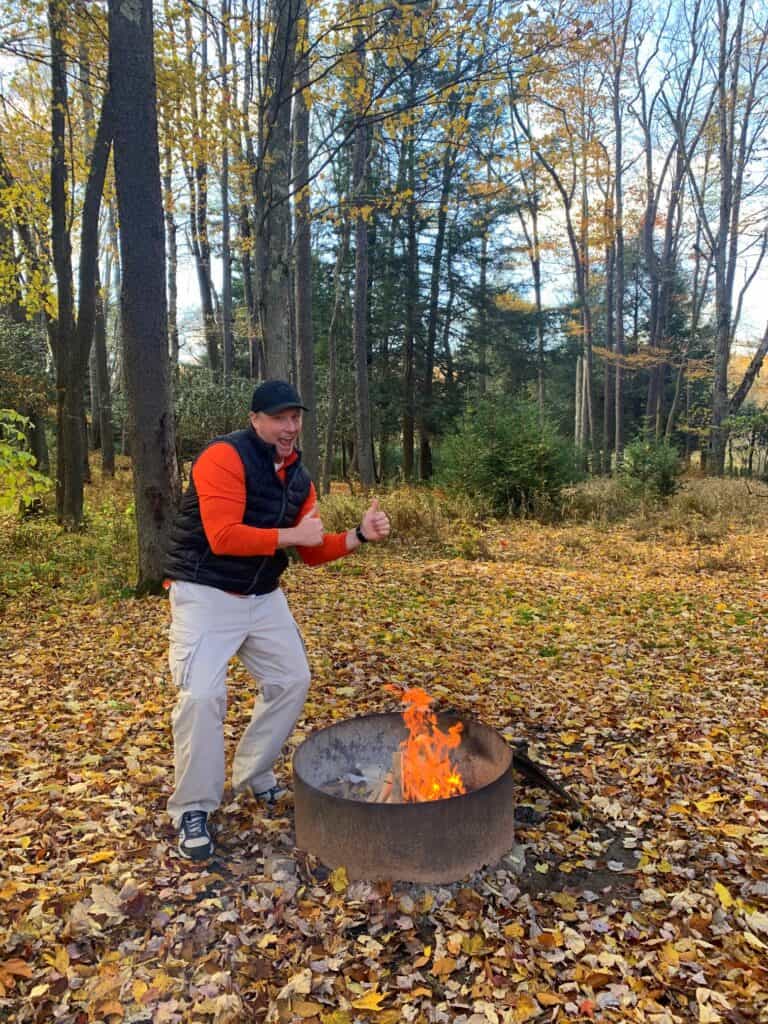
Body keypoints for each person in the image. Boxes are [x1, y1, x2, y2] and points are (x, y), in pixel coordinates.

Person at [163, 379, 390, 860]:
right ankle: (193, 808)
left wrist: (359, 535)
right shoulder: (222, 458)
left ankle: (252, 774)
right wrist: (291, 534)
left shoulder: (298, 476)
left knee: (292, 680)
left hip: (262, 596)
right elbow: (224, 536)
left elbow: (311, 550)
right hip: (205, 592)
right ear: (256, 420)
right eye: (280, 418)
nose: (290, 427)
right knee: (202, 696)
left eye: (296, 418)